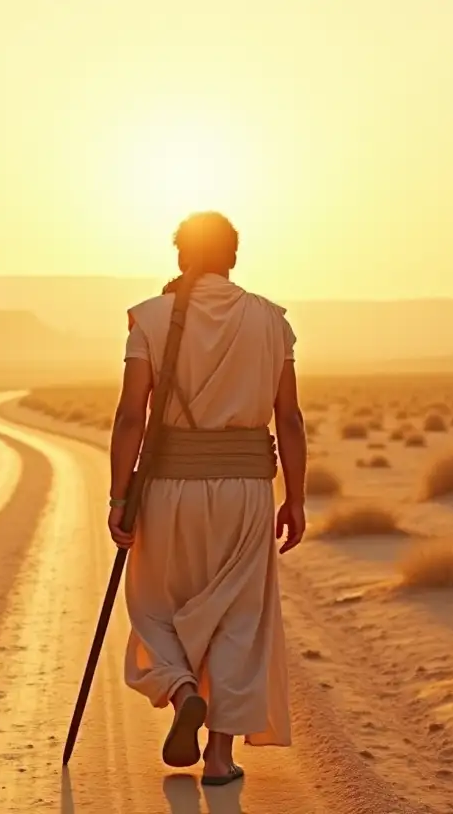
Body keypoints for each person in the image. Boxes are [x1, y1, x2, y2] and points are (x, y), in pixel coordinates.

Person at [106, 211, 307, 786]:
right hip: (246, 494)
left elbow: (129, 416)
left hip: (167, 490)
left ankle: (181, 689)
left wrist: (120, 498)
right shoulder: (272, 321)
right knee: (238, 619)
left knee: (152, 606)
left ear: (179, 257)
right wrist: (295, 498)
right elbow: (288, 417)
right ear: (234, 257)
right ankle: (219, 757)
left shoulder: (149, 318)